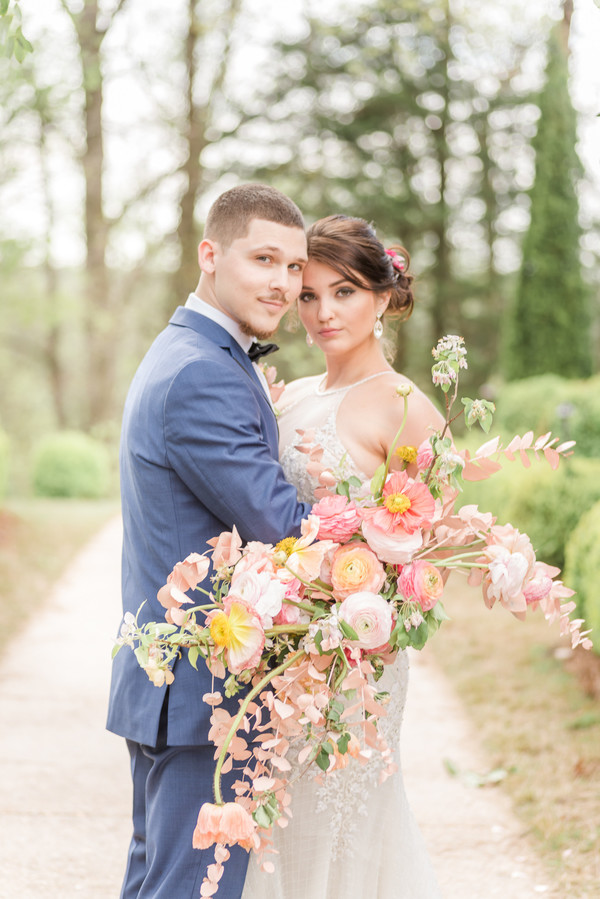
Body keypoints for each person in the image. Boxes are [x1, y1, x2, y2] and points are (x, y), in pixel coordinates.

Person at [106, 183, 313, 899]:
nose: (283, 283)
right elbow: (281, 523)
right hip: (206, 694)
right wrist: (380, 521)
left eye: (294, 267)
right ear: (210, 255)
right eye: (264, 258)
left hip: (177, 689)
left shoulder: (193, 352)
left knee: (158, 882)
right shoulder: (202, 372)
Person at [241, 214, 445, 898]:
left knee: (345, 822)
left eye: (346, 291)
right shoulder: (289, 396)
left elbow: (437, 545)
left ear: (384, 297)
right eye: (309, 294)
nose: (323, 312)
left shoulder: (406, 406)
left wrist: (359, 591)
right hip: (281, 650)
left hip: (359, 659)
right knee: (279, 823)